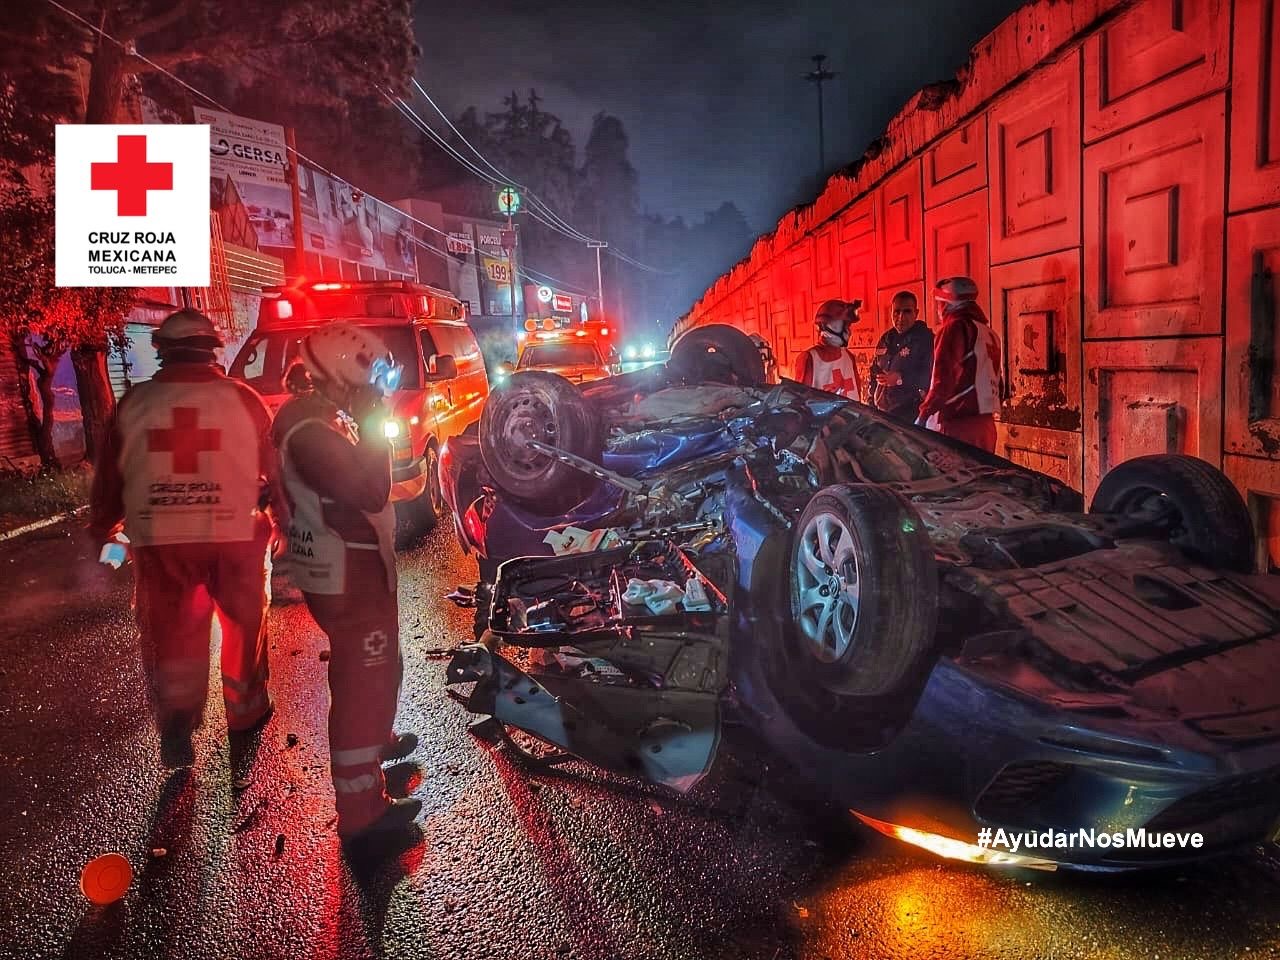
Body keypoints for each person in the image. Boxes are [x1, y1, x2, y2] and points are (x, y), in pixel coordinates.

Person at [90, 309, 286, 768]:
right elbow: (274, 473)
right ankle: (246, 711)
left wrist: (105, 526)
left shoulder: (135, 403)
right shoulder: (244, 398)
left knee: (172, 634)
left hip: (161, 540)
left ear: (161, 351)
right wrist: (284, 521)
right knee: (243, 624)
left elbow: (110, 480)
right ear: (214, 349)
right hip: (235, 537)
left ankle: (177, 725)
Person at [272, 322, 420, 846]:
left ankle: (376, 742)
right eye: (373, 377)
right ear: (341, 376)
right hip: (346, 577)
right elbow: (373, 490)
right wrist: (375, 420)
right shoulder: (311, 431)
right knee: (362, 684)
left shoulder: (322, 418)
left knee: (381, 670)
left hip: (356, 571)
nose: (381, 388)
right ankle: (362, 811)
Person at [917, 277, 1004, 452]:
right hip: (986, 426)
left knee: (955, 478)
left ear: (946, 304)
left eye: (939, 304)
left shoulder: (954, 328)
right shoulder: (989, 333)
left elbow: (944, 380)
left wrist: (923, 415)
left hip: (958, 427)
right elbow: (999, 383)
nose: (938, 310)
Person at [869, 291, 934, 421]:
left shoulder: (926, 340)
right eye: (896, 312)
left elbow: (931, 375)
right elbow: (874, 371)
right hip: (883, 413)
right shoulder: (886, 339)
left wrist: (901, 379)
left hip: (911, 415)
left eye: (907, 312)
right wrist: (871, 403)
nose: (901, 317)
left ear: (916, 313)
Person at [793, 298, 862, 399]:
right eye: (843, 325)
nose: (848, 331)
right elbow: (800, 402)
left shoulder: (849, 357)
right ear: (826, 325)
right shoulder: (809, 359)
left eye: (848, 326)